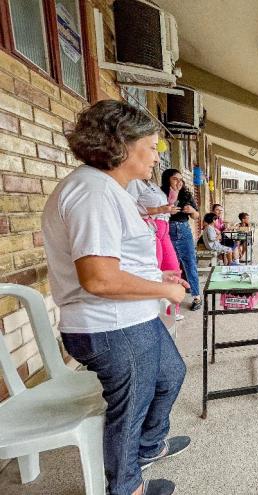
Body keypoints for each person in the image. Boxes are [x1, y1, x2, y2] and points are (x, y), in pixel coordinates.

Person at [42, 100, 189, 495]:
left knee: (171, 374)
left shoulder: (107, 189)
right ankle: (127, 488)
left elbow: (112, 261)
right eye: (152, 146)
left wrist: (155, 276)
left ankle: (146, 449)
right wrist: (165, 289)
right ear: (123, 144)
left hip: (131, 318)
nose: (157, 156)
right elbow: (99, 279)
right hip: (112, 326)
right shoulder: (93, 191)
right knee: (129, 412)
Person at [127, 176, 184, 321]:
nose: (156, 159)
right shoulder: (133, 182)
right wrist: (159, 209)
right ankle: (153, 311)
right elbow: (128, 210)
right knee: (154, 269)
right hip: (150, 228)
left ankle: (172, 310)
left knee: (173, 268)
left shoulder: (153, 185)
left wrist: (174, 193)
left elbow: (166, 205)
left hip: (164, 229)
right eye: (152, 151)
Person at [161, 170, 202, 311]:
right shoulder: (160, 194)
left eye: (181, 179)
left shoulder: (186, 194)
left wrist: (191, 210)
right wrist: (165, 210)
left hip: (184, 231)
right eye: (175, 179)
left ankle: (197, 297)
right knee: (172, 267)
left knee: (190, 264)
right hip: (167, 231)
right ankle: (173, 301)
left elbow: (197, 216)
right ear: (167, 180)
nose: (179, 182)